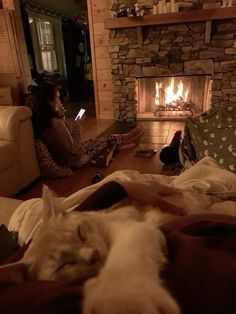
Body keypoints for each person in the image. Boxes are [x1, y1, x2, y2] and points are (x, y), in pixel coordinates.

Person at [31, 82, 144, 170]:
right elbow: (74, 149)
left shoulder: (44, 119)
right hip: (75, 160)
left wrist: (61, 115)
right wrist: (78, 126)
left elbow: (65, 141)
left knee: (98, 140)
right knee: (105, 141)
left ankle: (131, 138)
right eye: (57, 98)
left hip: (68, 158)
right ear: (49, 101)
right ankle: (132, 137)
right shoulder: (56, 124)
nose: (60, 101)